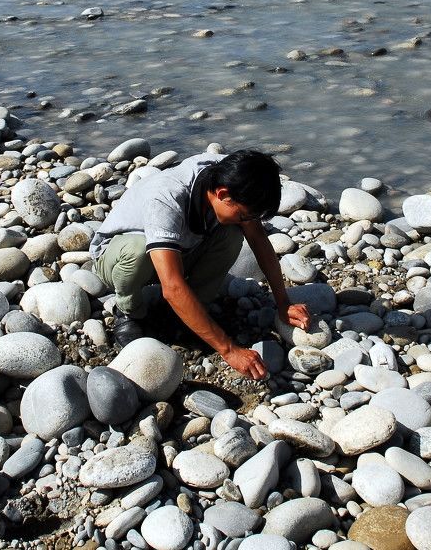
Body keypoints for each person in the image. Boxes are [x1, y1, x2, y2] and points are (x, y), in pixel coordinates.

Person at [91, 149, 312, 380]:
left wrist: (283, 302)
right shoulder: (167, 199)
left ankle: (189, 313)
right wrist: (229, 350)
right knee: (139, 252)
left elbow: (258, 240)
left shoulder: (228, 176)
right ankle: (129, 312)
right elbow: (172, 286)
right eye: (245, 216)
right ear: (223, 194)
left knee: (232, 235)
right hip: (116, 257)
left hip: (179, 249)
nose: (248, 222)